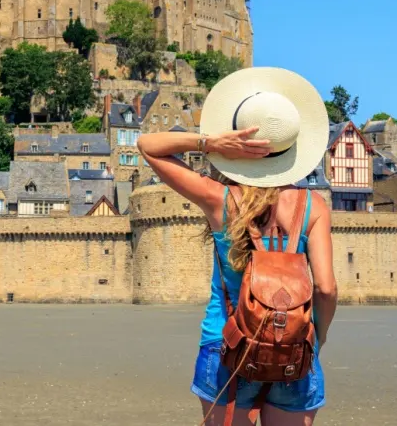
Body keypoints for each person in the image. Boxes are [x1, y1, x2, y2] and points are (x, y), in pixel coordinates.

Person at [137, 67, 338, 426]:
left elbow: (148, 147)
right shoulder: (313, 206)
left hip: (227, 343)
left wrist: (210, 143)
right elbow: (326, 287)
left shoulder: (220, 199)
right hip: (294, 345)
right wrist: (317, 337)